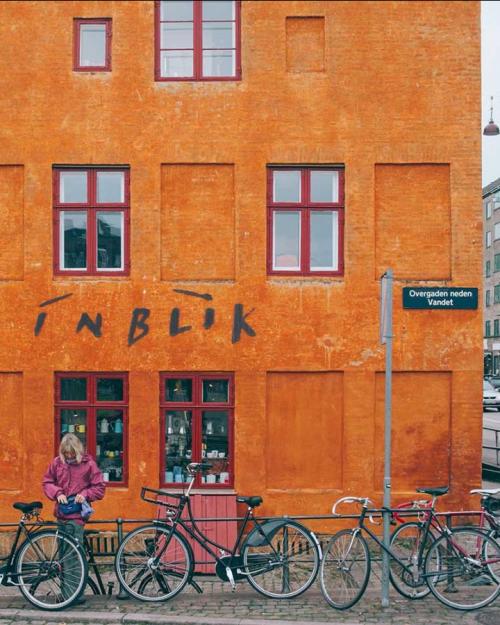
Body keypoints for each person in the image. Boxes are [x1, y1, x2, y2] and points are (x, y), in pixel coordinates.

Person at [43, 434, 105, 602]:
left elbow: (99, 488)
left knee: (73, 556)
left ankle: (73, 595)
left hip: (77, 517)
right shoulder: (57, 462)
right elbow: (47, 482)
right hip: (61, 514)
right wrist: (57, 493)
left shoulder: (88, 464)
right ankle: (67, 593)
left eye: (71, 453)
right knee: (63, 556)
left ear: (77, 450)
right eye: (66, 453)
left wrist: (84, 494)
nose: (69, 457)